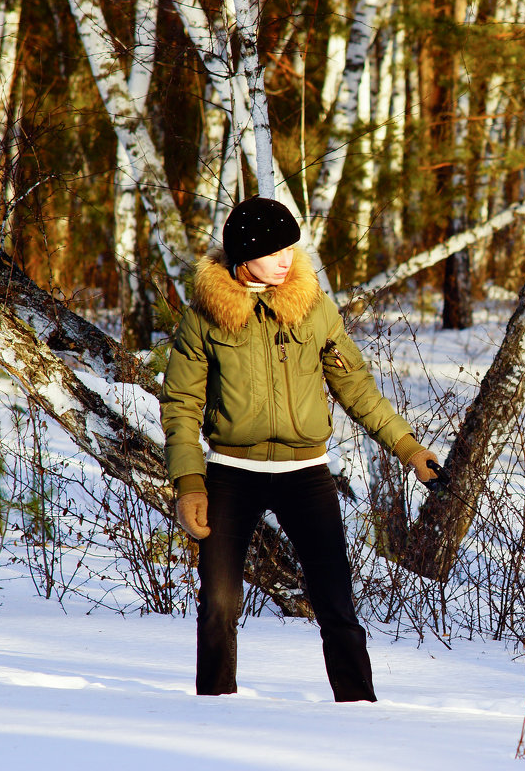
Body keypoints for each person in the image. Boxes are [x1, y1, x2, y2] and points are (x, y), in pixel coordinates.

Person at [160, 195, 437, 702]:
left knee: (336, 600)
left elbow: (356, 388)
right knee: (218, 603)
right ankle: (214, 709)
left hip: (306, 474)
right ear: (244, 257)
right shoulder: (205, 316)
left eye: (292, 246)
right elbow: (180, 403)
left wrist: (408, 447)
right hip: (230, 474)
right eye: (274, 250)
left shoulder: (311, 305)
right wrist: (189, 482)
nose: (288, 258)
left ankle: (359, 708)